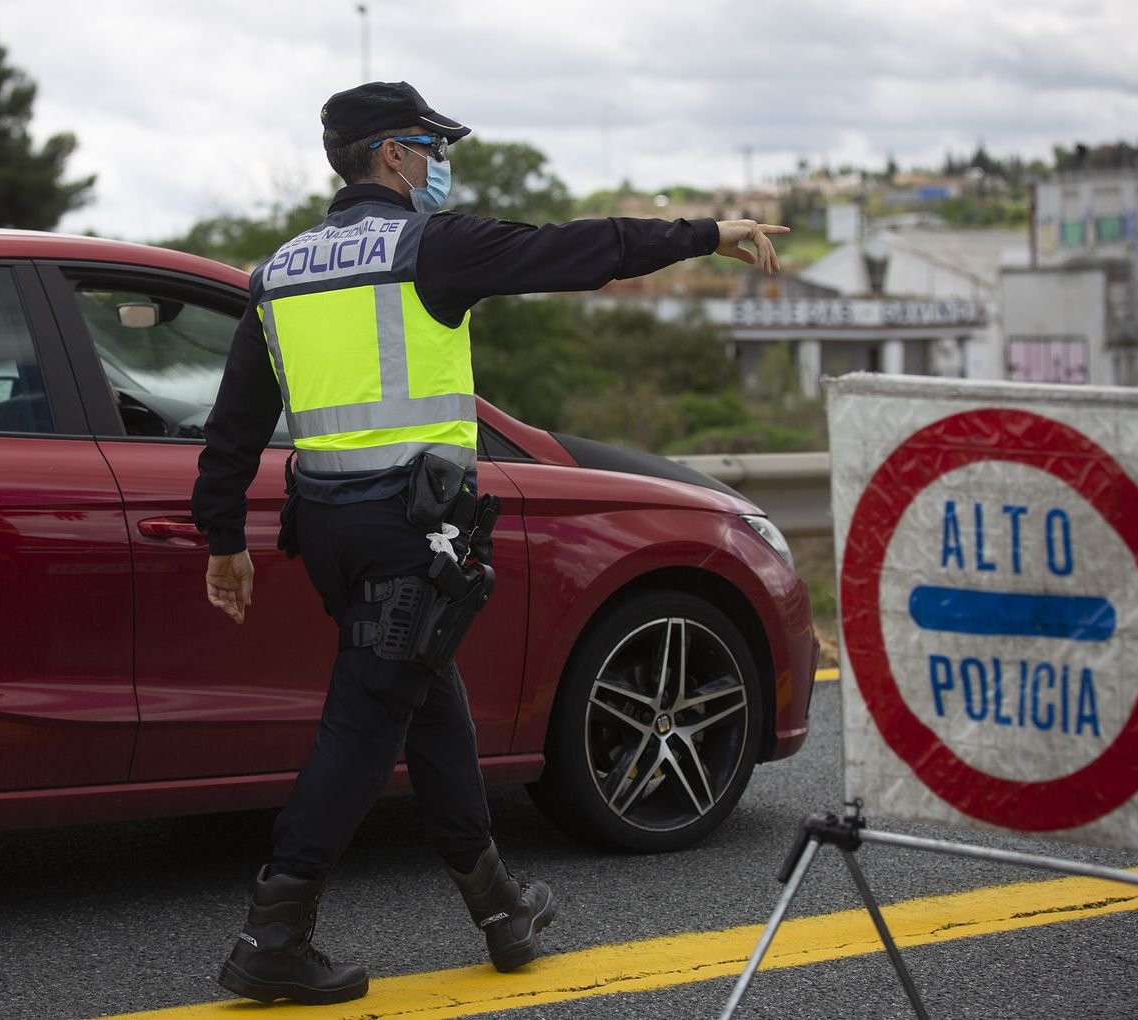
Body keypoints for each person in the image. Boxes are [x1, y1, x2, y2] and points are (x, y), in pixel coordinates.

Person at [193, 80, 788, 1006]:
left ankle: (500, 907)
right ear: (393, 153)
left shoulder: (281, 271)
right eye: (432, 147)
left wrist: (223, 536)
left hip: (332, 534)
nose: (440, 164)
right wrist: (708, 233)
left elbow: (236, 423)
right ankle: (273, 932)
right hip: (410, 529)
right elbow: (580, 249)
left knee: (426, 703)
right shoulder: (430, 246)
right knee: (363, 723)